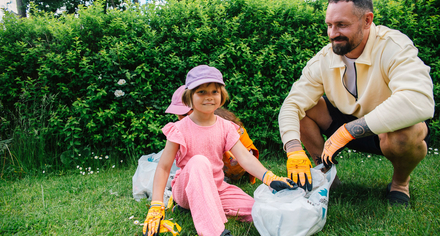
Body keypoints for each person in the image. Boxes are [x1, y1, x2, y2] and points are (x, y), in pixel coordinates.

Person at [278, 0, 434, 207]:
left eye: (342, 25)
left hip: (388, 130)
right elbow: (291, 104)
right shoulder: (324, 58)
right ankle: (326, 175)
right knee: (303, 109)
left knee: (406, 133)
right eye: (329, 25)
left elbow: (419, 99)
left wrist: (347, 131)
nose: (333, 33)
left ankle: (400, 184)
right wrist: (293, 148)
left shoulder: (393, 46)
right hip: (343, 123)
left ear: (367, 21)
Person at [143, 65, 296, 236]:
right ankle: (215, 231)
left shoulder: (226, 127)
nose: (209, 97)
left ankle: (199, 209)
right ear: (189, 97)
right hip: (185, 190)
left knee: (254, 208)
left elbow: (245, 158)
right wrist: (157, 205)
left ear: (222, 96)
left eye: (214, 92)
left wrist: (269, 177)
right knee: (199, 161)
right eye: (201, 92)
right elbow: (163, 167)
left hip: (217, 188)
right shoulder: (179, 129)